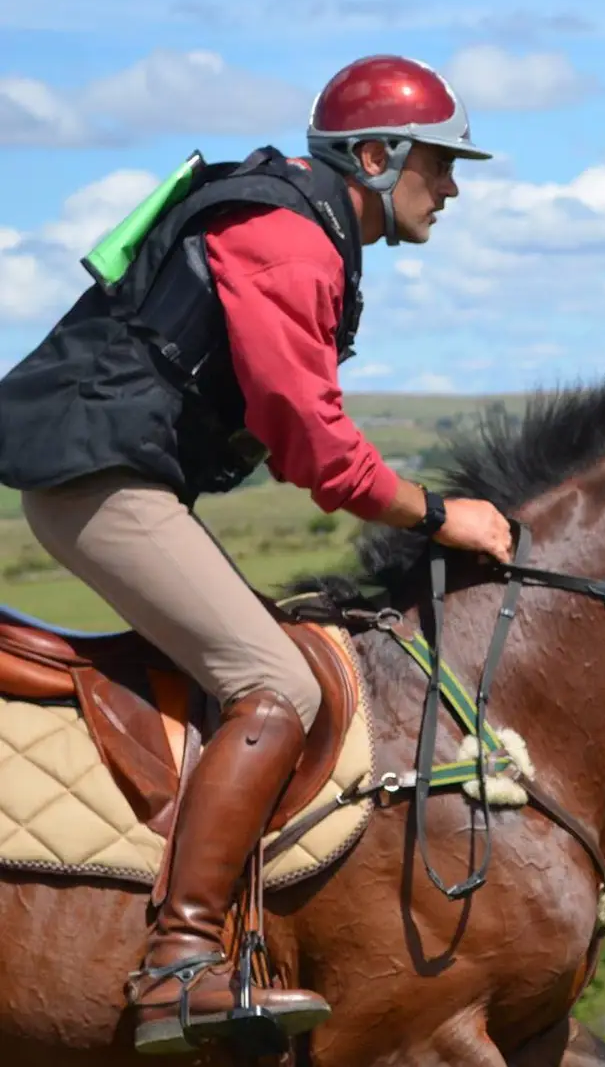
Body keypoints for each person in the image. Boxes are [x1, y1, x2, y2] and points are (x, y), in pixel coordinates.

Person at [0, 55, 513, 1054]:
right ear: (376, 156)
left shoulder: (303, 224)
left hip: (116, 477)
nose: (451, 191)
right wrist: (437, 511)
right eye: (440, 166)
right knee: (277, 682)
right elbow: (314, 448)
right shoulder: (288, 238)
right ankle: (178, 963)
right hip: (95, 483)